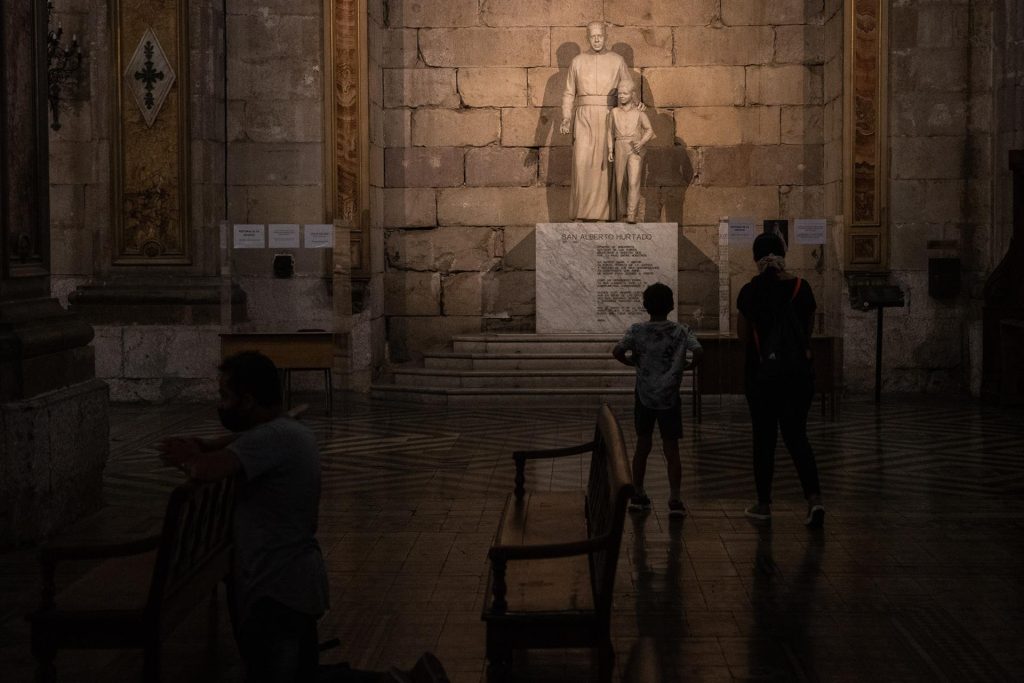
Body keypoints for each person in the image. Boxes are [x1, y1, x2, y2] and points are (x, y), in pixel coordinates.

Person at [158, 352, 448, 682]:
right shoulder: (284, 430)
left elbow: (206, 467)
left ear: (249, 401)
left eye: (225, 396)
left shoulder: (272, 438)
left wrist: (184, 456)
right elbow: (224, 444)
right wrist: (200, 444)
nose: (221, 405)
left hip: (278, 587)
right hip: (289, 582)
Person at [736, 232, 825, 527]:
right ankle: (814, 500)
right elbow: (807, 332)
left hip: (763, 377)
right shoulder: (802, 287)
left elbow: (743, 336)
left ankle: (763, 504)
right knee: (797, 436)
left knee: (764, 440)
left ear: (756, 258)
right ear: (783, 254)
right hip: (798, 376)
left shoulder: (750, 291)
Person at [613, 283, 703, 516]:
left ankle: (639, 494)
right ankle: (674, 498)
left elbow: (617, 351)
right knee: (671, 448)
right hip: (670, 396)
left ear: (645, 305)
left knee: (643, 445)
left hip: (645, 394)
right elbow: (700, 351)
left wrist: (634, 363)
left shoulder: (637, 331)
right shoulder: (682, 331)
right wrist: (688, 365)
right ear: (672, 305)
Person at [560, 21, 637, 221]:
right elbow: (569, 93)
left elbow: (629, 88)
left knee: (606, 166)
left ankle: (607, 214)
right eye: (592, 36)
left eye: (600, 36)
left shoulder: (617, 61)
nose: (596, 40)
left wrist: (637, 106)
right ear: (587, 38)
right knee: (582, 163)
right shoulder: (577, 61)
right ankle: (581, 213)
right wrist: (566, 117)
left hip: (609, 116)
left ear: (606, 37)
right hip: (584, 117)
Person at [607, 80, 654, 223]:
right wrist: (610, 150)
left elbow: (649, 130)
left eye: (625, 93)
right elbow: (609, 132)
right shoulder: (614, 112)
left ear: (632, 94)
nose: (621, 96)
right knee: (620, 182)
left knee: (633, 182)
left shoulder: (639, 113)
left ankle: (632, 213)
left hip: (634, 148)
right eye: (620, 94)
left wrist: (641, 142)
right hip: (619, 145)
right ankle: (623, 214)